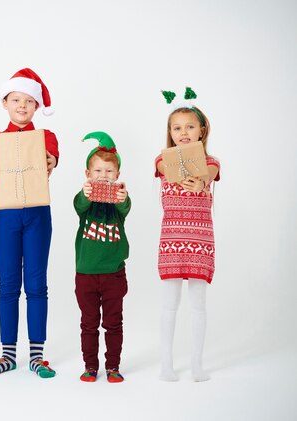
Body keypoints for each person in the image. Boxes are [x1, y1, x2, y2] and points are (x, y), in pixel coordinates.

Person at [0, 68, 59, 378]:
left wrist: (50, 160)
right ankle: (8, 354)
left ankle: (37, 356)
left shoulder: (46, 137)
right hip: (6, 213)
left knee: (37, 284)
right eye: (16, 100)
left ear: (37, 106)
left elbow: (51, 156)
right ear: (5, 103)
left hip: (38, 213)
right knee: (8, 283)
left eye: (28, 101)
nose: (22, 106)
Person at [155, 88, 220, 382]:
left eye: (190, 126)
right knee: (169, 303)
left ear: (201, 130)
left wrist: (201, 180)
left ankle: (196, 364)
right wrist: (183, 173)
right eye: (177, 128)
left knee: (198, 304)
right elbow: (163, 166)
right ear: (170, 132)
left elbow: (208, 171)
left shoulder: (211, 162)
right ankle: (166, 364)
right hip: (171, 240)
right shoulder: (162, 159)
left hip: (200, 241)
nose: (183, 132)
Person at [73, 132, 130, 383]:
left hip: (113, 273)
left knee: (113, 323)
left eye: (109, 171)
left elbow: (125, 207)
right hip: (86, 273)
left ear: (117, 175)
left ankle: (113, 366)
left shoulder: (119, 200)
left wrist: (123, 197)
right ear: (88, 174)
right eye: (97, 171)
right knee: (89, 324)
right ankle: (90, 366)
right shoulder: (85, 200)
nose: (103, 176)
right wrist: (85, 193)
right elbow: (79, 206)